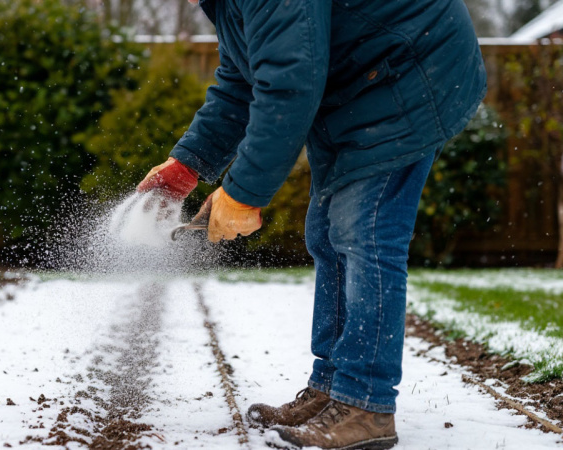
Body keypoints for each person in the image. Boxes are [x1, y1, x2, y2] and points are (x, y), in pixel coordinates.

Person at [137, 0, 486, 448]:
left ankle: (366, 404)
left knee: (366, 236)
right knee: (326, 233)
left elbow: (289, 83)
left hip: (408, 73)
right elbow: (244, 81)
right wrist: (188, 163)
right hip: (359, 83)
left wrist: (244, 192)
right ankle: (332, 388)